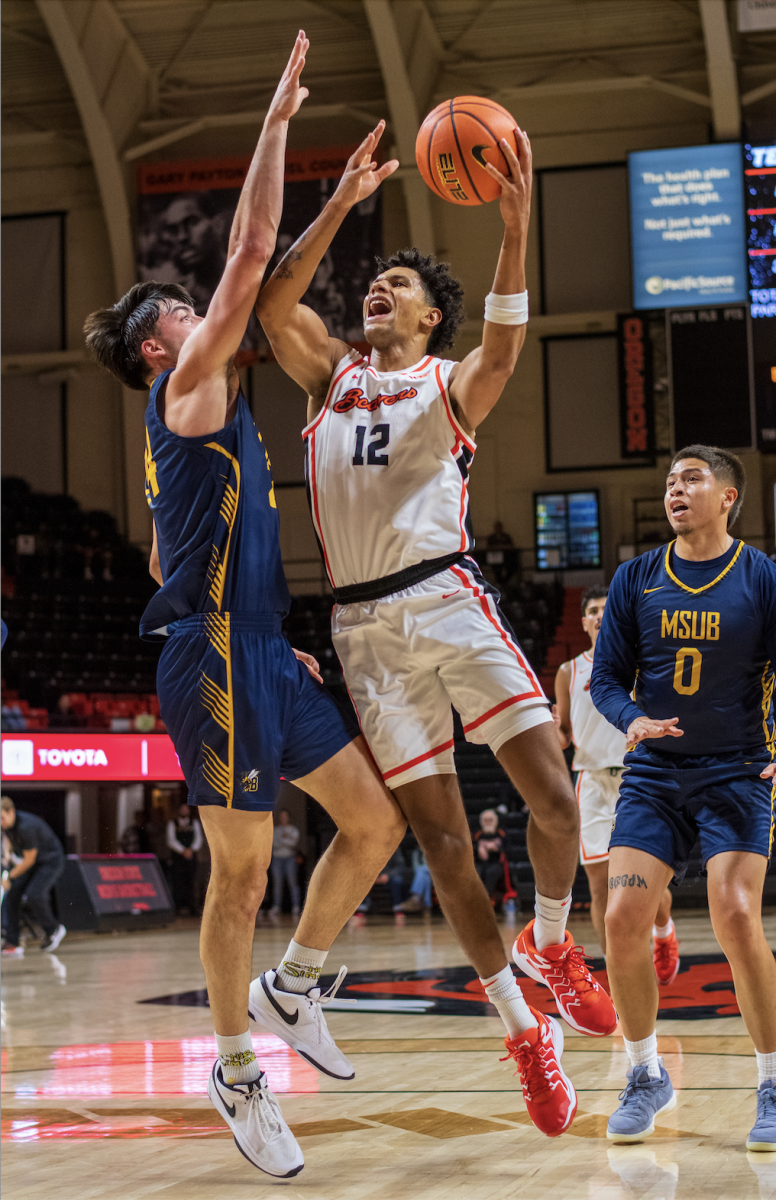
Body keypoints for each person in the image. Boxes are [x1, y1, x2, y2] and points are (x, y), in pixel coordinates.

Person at [83, 34, 404, 1181]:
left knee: (373, 825)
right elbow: (252, 253)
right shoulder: (183, 384)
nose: (200, 306)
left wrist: (339, 203)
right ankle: (232, 1064)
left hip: (263, 646)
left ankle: (293, 984)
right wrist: (274, 124)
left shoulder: (208, 375)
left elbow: (269, 276)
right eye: (182, 302)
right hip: (208, 653)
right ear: (157, 342)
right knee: (238, 872)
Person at [254, 119, 616, 1138]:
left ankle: (550, 941)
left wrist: (516, 219)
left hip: (447, 599)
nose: (382, 290)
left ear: (429, 318)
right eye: (378, 283)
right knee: (445, 846)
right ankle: (521, 1034)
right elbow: (275, 299)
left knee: (554, 798)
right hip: (364, 634)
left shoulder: (447, 384)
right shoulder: (328, 376)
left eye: (402, 287)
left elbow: (506, 343)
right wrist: (337, 205)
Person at [591, 445, 776, 1151]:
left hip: (737, 771)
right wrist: (631, 720)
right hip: (654, 773)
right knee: (621, 915)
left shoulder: (766, 581)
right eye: (670, 480)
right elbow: (604, 680)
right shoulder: (635, 579)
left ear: (728, 497)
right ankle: (644, 1074)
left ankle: (775, 1083)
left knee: (736, 914)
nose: (675, 489)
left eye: (691, 479)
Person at [554, 587, 678, 980]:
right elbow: (562, 735)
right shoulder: (568, 672)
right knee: (599, 886)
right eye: (592, 611)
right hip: (590, 781)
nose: (599, 616)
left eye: (606, 611)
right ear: (584, 621)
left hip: (636, 779)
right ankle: (619, 977)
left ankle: (663, 930)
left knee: (649, 883)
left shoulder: (639, 665)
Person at [0, 796, 66, 956]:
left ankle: (54, 930)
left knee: (34, 894)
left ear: (11, 812)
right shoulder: (8, 824)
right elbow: (8, 839)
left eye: (2, 818)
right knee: (13, 894)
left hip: (50, 861)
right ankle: (12, 942)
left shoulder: (26, 826)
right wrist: (7, 856)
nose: (0, 822)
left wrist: (7, 877)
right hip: (32, 862)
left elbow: (29, 860)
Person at [166, 803, 203, 914]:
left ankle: (192, 907)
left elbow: (198, 839)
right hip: (178, 857)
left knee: (191, 882)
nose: (184, 812)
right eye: (182, 809)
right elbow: (171, 840)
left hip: (191, 856)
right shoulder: (172, 823)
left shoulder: (194, 823)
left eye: (186, 810)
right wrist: (182, 850)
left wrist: (191, 850)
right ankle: (177, 907)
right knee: (178, 882)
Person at [269, 809, 301, 916]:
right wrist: (285, 840)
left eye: (285, 816)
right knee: (277, 884)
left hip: (289, 858)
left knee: (292, 882)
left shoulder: (293, 830)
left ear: (288, 817)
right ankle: (276, 906)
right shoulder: (275, 830)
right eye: (281, 816)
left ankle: (296, 906)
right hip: (277, 858)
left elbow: (293, 843)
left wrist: (284, 840)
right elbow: (273, 843)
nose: (283, 818)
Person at [474, 808, 506, 902]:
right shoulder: (477, 834)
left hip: (497, 863)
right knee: (476, 872)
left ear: (495, 821)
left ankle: (487, 899)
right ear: (481, 822)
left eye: (490, 820)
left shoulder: (501, 833)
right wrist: (480, 848)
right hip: (480, 863)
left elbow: (508, 849)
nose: (488, 822)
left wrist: (496, 847)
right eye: (485, 820)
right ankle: (478, 898)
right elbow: (471, 848)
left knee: (491, 872)